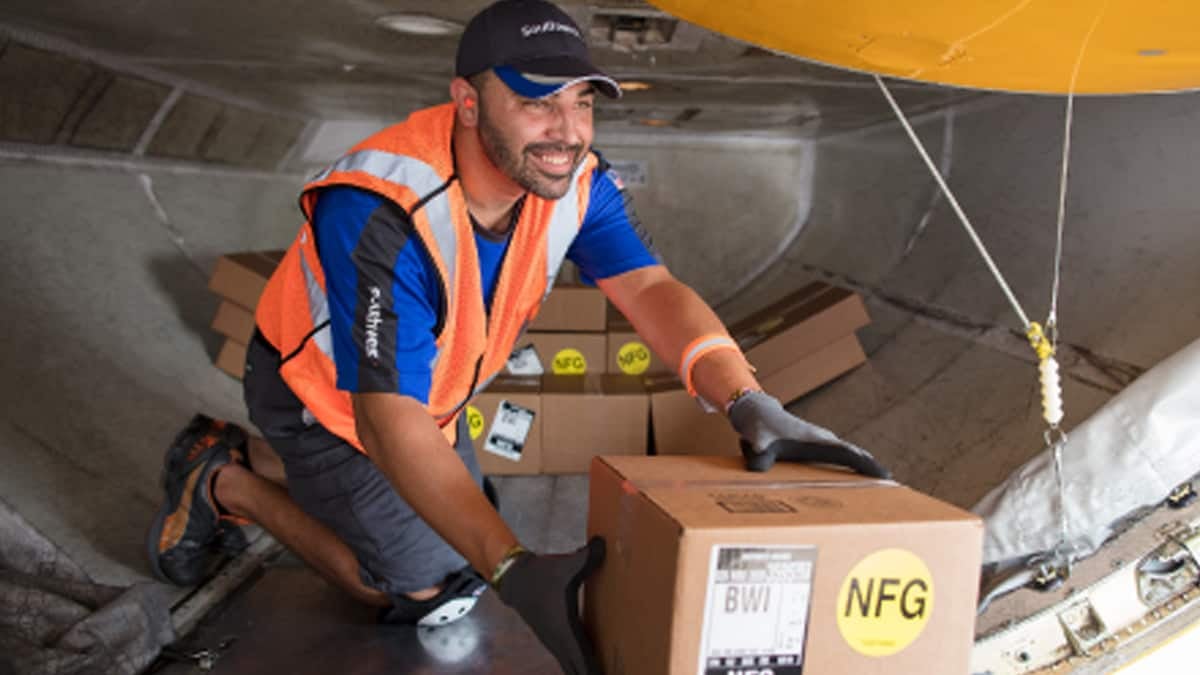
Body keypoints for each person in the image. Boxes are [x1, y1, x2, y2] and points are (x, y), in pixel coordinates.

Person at [146, 1, 888, 672]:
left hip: (427, 395)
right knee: (437, 590)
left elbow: (652, 289)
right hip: (324, 397)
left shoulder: (576, 185)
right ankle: (221, 478)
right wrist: (510, 567)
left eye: (580, 101)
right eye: (536, 102)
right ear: (467, 103)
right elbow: (386, 418)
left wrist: (746, 398)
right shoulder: (381, 210)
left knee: (466, 521)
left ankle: (274, 475)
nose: (566, 129)